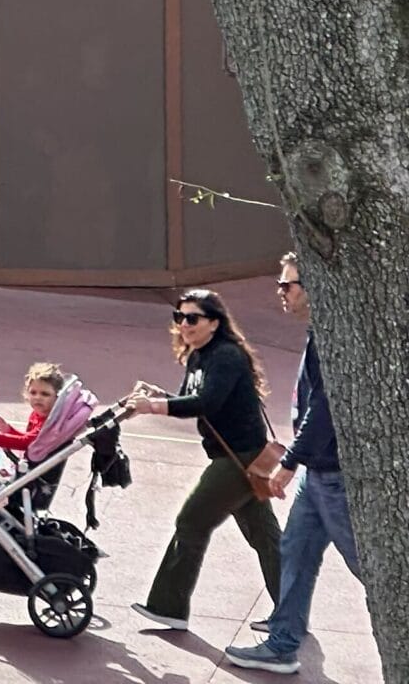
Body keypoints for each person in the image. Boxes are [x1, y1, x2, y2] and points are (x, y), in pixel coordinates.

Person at [226, 255, 359, 674]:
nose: (281, 293)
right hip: (317, 473)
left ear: (314, 286)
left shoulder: (334, 336)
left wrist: (290, 461)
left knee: (367, 564)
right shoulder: (322, 332)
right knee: (296, 551)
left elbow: (326, 406)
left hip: (331, 474)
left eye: (288, 285)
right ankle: (283, 641)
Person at [125, 288, 280, 631]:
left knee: (191, 522)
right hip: (238, 455)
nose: (184, 325)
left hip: (239, 457)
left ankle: (168, 607)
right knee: (264, 535)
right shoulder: (198, 355)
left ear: (214, 322)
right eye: (178, 317)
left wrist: (151, 407)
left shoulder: (226, 356)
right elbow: (188, 401)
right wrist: (158, 396)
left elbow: (206, 403)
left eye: (192, 318)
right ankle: (291, 612)